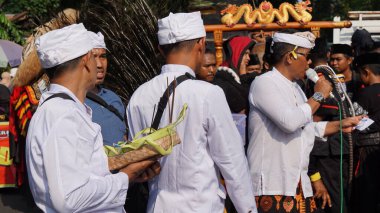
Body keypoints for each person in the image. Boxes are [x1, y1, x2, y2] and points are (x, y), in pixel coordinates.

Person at [127, 12, 256, 213]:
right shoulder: (208, 94)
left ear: (161, 49)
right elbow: (232, 162)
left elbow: (140, 163)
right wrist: (247, 209)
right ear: (201, 44)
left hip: (157, 206)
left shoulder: (138, 97)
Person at [25, 23, 160, 212]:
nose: (99, 64)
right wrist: (125, 177)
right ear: (86, 60)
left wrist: (127, 174)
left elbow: (85, 177)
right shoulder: (63, 115)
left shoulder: (66, 110)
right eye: (94, 56)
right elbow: (69, 199)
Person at [247, 31, 361, 213]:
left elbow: (304, 127)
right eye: (306, 56)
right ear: (289, 57)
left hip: (298, 183)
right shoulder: (264, 83)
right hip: (272, 185)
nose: (309, 63)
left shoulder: (297, 88)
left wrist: (339, 125)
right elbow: (290, 122)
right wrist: (319, 95)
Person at [307, 38, 353, 213]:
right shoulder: (321, 78)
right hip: (325, 152)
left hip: (334, 150)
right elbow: (318, 117)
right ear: (327, 55)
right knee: (333, 203)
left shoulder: (325, 76)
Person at [84, 31, 127, 146]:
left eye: (103, 57)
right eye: (93, 57)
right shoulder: (75, 102)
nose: (99, 64)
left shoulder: (113, 98)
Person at [351, 52, 380, 213]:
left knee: (367, 196)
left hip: (367, 151)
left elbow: (356, 124)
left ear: (366, 72)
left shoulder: (363, 94)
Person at [213, 36, 256, 114]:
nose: (248, 58)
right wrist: (243, 76)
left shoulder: (237, 75)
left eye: (249, 54)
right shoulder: (222, 78)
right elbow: (245, 105)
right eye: (245, 53)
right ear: (237, 53)